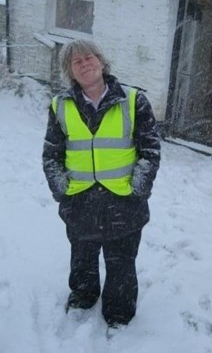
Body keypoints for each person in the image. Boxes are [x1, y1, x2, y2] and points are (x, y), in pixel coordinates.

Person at [42, 39, 161, 329]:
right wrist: (62, 190)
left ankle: (119, 313)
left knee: (121, 261)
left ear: (101, 61)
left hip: (123, 201)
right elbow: (51, 154)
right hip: (80, 200)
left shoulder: (133, 100)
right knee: (82, 256)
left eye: (88, 57)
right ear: (70, 71)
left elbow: (150, 150)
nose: (84, 64)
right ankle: (83, 296)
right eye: (76, 61)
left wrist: (138, 189)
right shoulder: (61, 105)